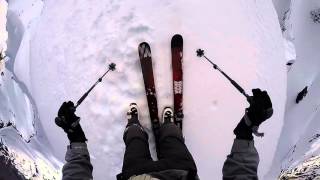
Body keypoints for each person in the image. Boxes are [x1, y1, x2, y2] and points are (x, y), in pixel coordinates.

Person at [55, 89, 272, 180]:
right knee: (170, 139)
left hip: (139, 173)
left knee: (137, 141)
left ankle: (135, 124)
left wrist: (76, 140)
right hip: (179, 170)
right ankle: (164, 124)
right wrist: (245, 131)